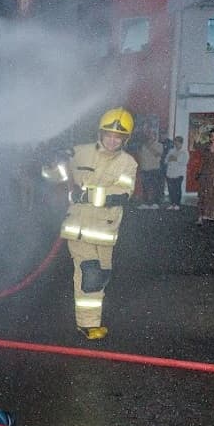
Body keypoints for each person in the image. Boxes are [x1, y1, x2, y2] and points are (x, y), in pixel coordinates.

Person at [52, 108, 138, 340]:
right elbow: (56, 177)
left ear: (125, 139)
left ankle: (92, 321)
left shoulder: (128, 163)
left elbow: (122, 193)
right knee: (89, 274)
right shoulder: (79, 152)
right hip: (79, 228)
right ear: (100, 133)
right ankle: (87, 325)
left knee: (100, 277)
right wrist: (54, 161)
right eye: (108, 134)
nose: (112, 140)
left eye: (117, 137)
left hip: (106, 230)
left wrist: (88, 195)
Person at [194, 127, 214, 226]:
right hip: (205, 174)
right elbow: (196, 145)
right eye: (211, 136)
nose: (213, 138)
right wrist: (199, 134)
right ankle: (200, 217)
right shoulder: (206, 146)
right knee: (202, 196)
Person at [135, 135, 163, 209]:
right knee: (145, 187)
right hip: (144, 169)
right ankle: (145, 203)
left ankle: (155, 203)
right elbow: (141, 156)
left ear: (155, 137)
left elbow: (158, 154)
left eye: (151, 137)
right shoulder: (143, 145)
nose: (150, 138)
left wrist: (149, 147)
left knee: (154, 187)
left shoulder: (159, 145)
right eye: (149, 137)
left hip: (154, 169)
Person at [163, 135, 188, 210]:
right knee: (171, 189)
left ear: (181, 143)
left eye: (177, 142)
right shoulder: (171, 151)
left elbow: (184, 162)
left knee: (177, 189)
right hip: (170, 173)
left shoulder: (184, 152)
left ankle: (177, 204)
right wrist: (172, 159)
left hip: (178, 174)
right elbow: (166, 160)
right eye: (175, 142)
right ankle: (172, 203)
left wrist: (175, 159)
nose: (176, 143)